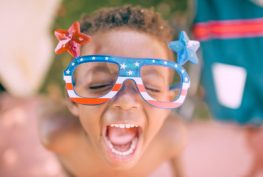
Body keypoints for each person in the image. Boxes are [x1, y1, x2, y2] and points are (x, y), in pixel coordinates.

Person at [38, 5, 198, 177]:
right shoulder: (57, 136)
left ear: (168, 104)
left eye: (151, 87)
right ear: (73, 99)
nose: (126, 100)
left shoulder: (173, 138)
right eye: (99, 85)